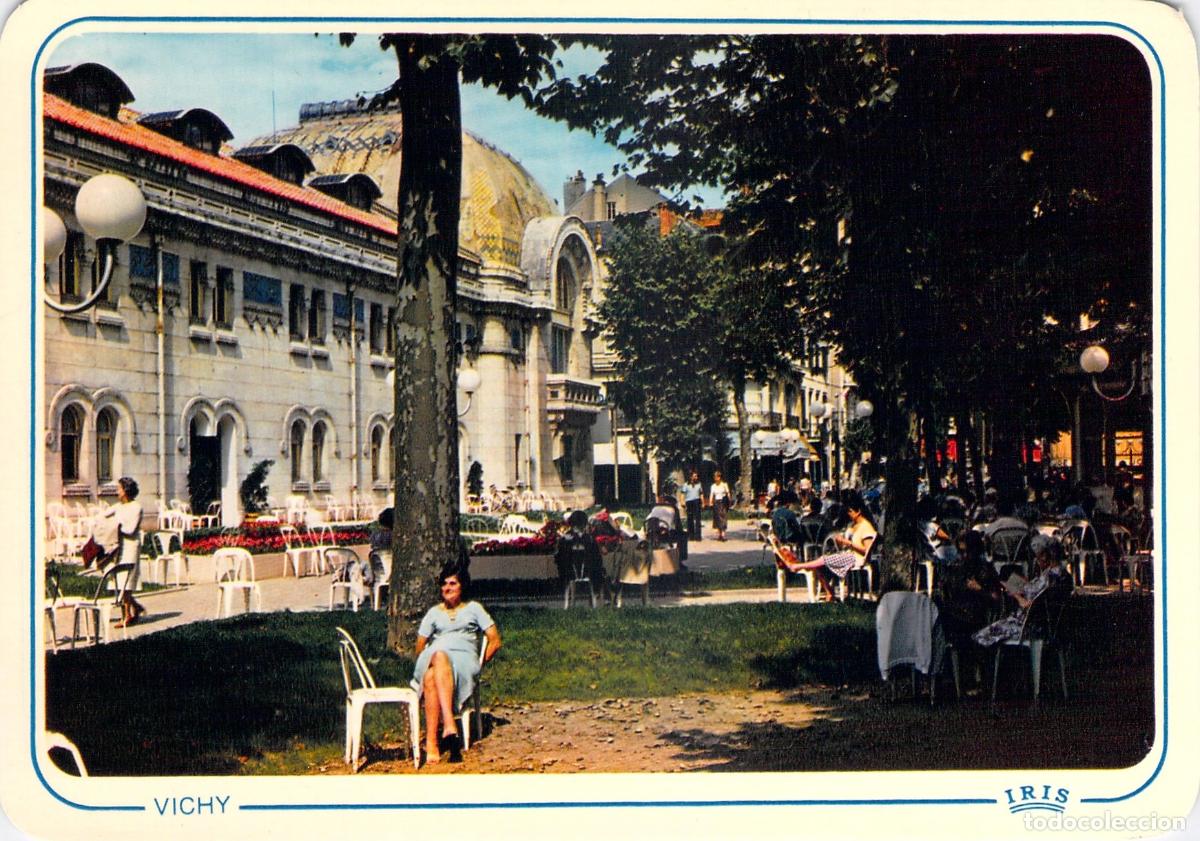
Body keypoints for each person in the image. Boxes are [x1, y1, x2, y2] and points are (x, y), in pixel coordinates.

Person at [412, 564, 501, 764]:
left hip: (464, 659)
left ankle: (432, 743)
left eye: (453, 583)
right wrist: (432, 655)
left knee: (431, 677)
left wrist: (479, 664)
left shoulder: (473, 609)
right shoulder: (434, 613)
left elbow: (495, 640)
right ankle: (450, 724)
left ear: (462, 586)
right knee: (438, 657)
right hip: (435, 657)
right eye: (444, 584)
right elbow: (420, 647)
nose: (447, 588)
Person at [973, 534, 1072, 648]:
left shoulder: (1050, 577)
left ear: (1045, 556)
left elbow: (1029, 605)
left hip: (1028, 626)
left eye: (1038, 557)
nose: (1037, 561)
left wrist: (1016, 595)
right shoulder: (1062, 575)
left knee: (981, 635)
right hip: (1047, 624)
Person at [777, 489, 877, 601]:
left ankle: (797, 566)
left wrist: (848, 543)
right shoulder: (855, 525)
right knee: (819, 563)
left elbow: (867, 550)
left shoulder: (866, 527)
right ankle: (829, 591)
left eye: (850, 512)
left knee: (823, 560)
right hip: (850, 555)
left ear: (858, 511)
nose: (849, 514)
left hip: (856, 558)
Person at [102, 477, 145, 627]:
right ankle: (136, 607)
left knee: (125, 581)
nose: (117, 492)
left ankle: (127, 616)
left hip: (130, 546)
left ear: (126, 490)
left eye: (119, 488)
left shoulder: (136, 507)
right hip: (118, 546)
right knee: (117, 580)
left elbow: (131, 529)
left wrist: (116, 526)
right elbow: (103, 516)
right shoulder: (118, 506)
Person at [554, 510, 608, 598]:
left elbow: (558, 557)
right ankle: (601, 597)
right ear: (585, 524)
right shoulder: (590, 539)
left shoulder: (563, 539)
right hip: (589, 573)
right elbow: (597, 558)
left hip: (568, 573)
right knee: (599, 570)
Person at [707, 470, 731, 541]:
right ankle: (719, 534)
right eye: (715, 477)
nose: (716, 478)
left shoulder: (724, 484)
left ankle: (723, 534)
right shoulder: (713, 486)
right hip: (716, 502)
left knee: (723, 517)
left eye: (717, 476)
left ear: (720, 477)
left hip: (723, 502)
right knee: (717, 518)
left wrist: (729, 500)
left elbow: (728, 493)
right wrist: (710, 502)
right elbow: (711, 494)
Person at [681, 470, 704, 541]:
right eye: (694, 476)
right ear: (691, 477)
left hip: (697, 501)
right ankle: (691, 536)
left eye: (696, 476)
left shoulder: (699, 484)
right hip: (689, 502)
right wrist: (682, 501)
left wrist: (702, 503)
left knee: (698, 519)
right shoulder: (686, 485)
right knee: (690, 519)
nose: (696, 477)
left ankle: (698, 536)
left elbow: (701, 494)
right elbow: (683, 494)